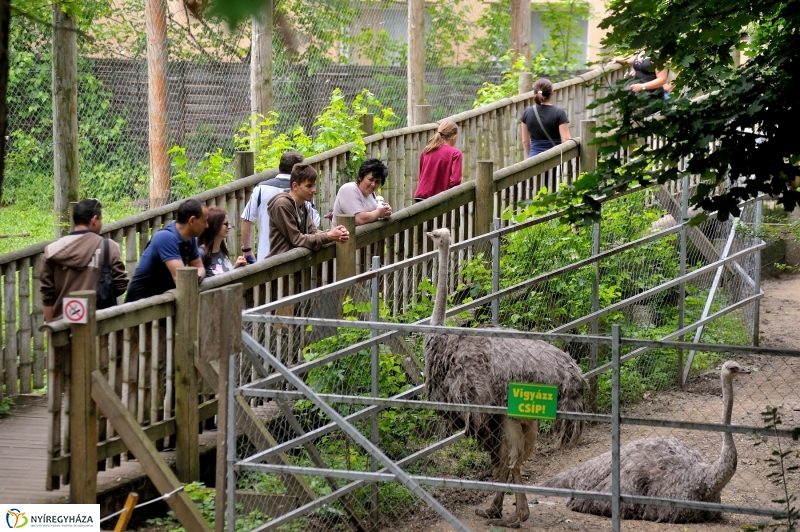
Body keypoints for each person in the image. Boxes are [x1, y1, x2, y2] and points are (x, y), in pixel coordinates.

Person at [40, 198, 128, 322]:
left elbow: (47, 294)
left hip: (63, 325)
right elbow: (121, 283)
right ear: (94, 219)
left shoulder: (52, 251)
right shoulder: (108, 247)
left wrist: (52, 329)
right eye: (101, 219)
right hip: (100, 323)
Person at [240, 151, 320, 263]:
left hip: (265, 258)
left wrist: (247, 249)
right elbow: (314, 223)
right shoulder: (303, 191)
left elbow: (246, 220)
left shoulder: (261, 188)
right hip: (297, 257)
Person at [125, 199, 208, 302]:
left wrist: (196, 278)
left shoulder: (189, 238)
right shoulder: (165, 238)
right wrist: (194, 279)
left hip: (162, 304)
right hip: (140, 308)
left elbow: (199, 267)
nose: (207, 225)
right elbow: (182, 279)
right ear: (192, 220)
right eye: (204, 221)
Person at [267, 163, 350, 257]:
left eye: (314, 185)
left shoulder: (302, 203)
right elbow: (297, 239)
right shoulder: (281, 204)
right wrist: (329, 236)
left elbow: (312, 231)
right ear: (295, 186)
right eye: (309, 186)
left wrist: (335, 233)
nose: (314, 190)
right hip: (281, 265)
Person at [519, 78, 571, 158]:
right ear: (552, 93)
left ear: (534, 93)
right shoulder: (559, 113)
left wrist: (531, 156)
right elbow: (566, 139)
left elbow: (525, 141)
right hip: (555, 157)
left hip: (534, 158)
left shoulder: (527, 113)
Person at [413, 120, 463, 201]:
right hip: (438, 199)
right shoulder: (455, 153)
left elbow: (421, 176)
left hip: (420, 197)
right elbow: (455, 181)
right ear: (454, 137)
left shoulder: (426, 151)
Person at [332, 158, 392, 225]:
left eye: (377, 182)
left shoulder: (371, 194)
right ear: (360, 177)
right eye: (371, 180)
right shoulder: (348, 189)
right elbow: (359, 219)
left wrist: (385, 210)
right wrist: (379, 212)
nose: (373, 184)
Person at [198, 207, 247, 278]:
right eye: (226, 224)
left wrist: (235, 267)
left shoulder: (222, 250)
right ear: (215, 226)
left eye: (229, 223)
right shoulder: (200, 254)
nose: (229, 227)